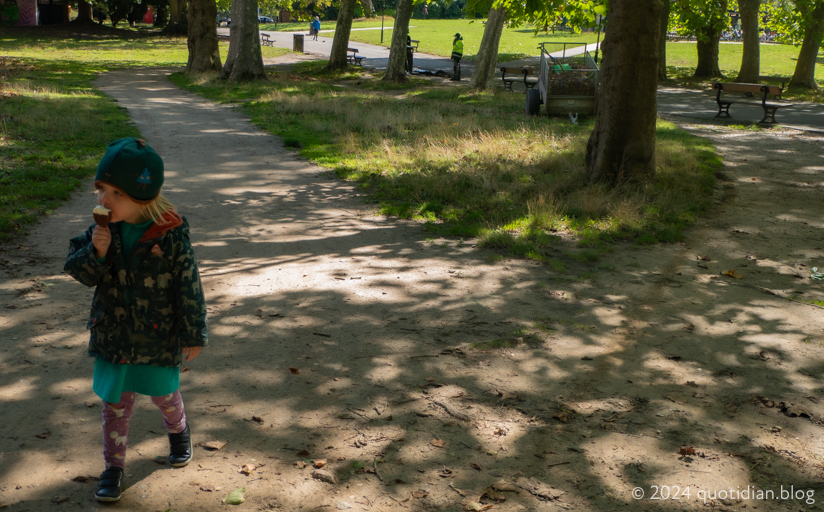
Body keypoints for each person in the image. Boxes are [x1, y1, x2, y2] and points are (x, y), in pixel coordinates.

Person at [64, 137, 208, 503]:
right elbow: (78, 271)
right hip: (112, 337)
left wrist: (193, 333)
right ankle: (113, 467)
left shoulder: (171, 232)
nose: (103, 200)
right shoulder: (101, 230)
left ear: (142, 196)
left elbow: (188, 285)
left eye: (115, 193)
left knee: (164, 395)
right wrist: (96, 253)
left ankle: (179, 432)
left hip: (156, 338)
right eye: (101, 189)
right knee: (115, 405)